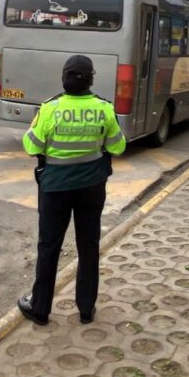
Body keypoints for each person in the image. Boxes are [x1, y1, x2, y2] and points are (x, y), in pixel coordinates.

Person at [18, 55, 126, 326]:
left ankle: (40, 308)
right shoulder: (104, 109)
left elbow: (31, 146)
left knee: (49, 246)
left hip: (55, 189)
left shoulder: (50, 109)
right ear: (91, 79)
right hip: (91, 188)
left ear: (63, 78)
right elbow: (117, 147)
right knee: (88, 246)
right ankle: (86, 309)